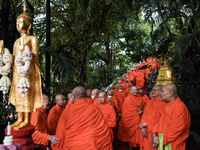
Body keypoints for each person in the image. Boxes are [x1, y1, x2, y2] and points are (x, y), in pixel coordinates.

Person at [9, 1, 43, 129]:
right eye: (17, 23)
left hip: (28, 71)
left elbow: (35, 55)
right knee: (18, 93)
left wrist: (27, 54)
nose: (18, 25)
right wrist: (7, 57)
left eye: (20, 22)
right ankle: (19, 118)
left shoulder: (32, 39)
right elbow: (13, 56)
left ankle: (27, 119)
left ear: (28, 25)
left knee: (26, 93)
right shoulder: (16, 41)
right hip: (18, 71)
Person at [151, 84, 191, 150]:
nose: (160, 94)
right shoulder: (168, 105)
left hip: (173, 145)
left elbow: (175, 130)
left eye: (162, 91)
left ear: (170, 93)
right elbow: (159, 122)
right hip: (162, 141)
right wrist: (154, 135)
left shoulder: (179, 107)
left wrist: (159, 141)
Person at [139, 85, 166, 150]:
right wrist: (142, 127)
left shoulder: (164, 104)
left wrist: (146, 124)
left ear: (160, 92)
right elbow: (144, 115)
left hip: (154, 132)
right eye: (152, 90)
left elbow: (160, 120)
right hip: (145, 131)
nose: (153, 92)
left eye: (155, 90)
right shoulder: (149, 102)